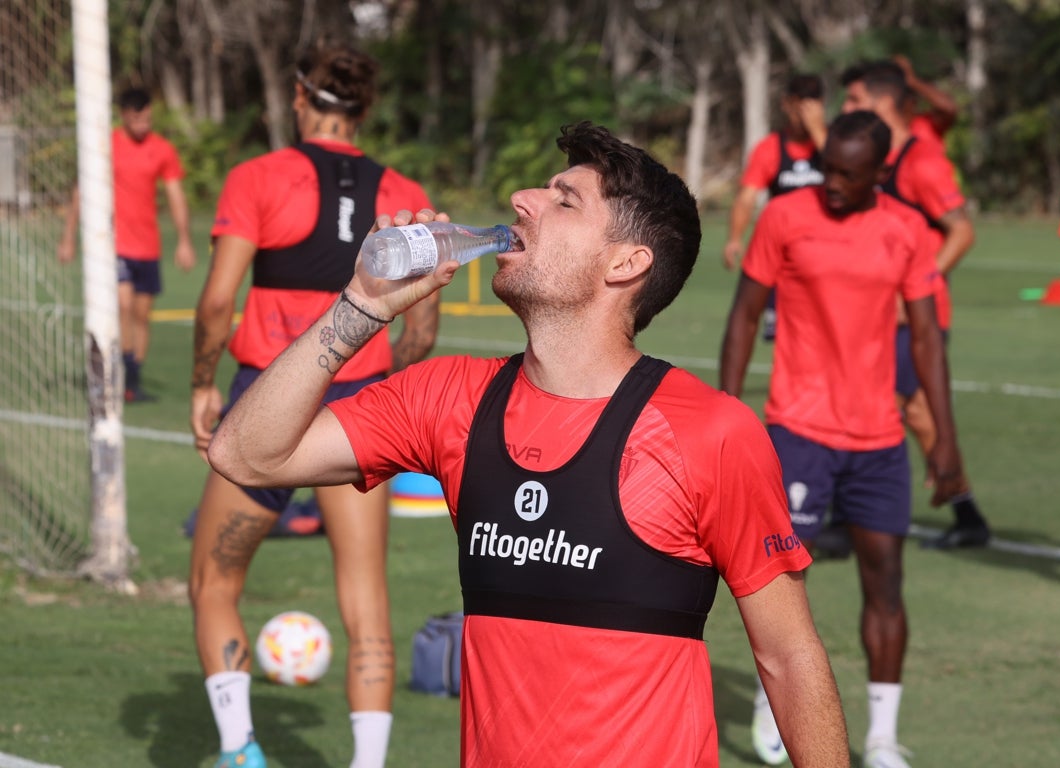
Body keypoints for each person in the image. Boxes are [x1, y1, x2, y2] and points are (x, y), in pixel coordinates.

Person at [206, 121, 851, 768]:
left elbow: (789, 657)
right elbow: (246, 455)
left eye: (564, 200)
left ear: (625, 263)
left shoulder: (710, 430)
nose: (522, 199)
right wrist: (361, 306)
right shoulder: (447, 397)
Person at [187, 40, 439, 768]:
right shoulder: (403, 192)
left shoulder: (259, 177)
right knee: (366, 598)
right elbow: (422, 330)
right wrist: (379, 379)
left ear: (299, 96)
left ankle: (240, 750)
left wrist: (203, 382)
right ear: (365, 109)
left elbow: (216, 303)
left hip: (266, 397)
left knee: (214, 580)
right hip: (359, 408)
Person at [721, 110, 966, 768]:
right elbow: (744, 314)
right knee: (781, 581)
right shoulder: (784, 217)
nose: (831, 183)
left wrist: (944, 440)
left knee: (885, 581)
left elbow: (927, 338)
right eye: (827, 168)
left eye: (847, 175)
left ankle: (882, 738)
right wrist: (728, 411)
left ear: (879, 173)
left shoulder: (906, 230)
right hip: (798, 430)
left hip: (879, 438)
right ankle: (773, 700)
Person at [834, 59, 991, 552]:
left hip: (914, 316)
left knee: (890, 406)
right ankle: (964, 511)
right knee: (914, 411)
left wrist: (915, 288)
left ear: (884, 104)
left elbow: (962, 231)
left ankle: (847, 515)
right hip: (877, 312)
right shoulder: (875, 159)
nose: (846, 108)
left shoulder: (922, 161)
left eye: (855, 99)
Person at [57, 86, 196, 402]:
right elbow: (81, 190)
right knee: (123, 305)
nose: (143, 125)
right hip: (115, 245)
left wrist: (184, 240)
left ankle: (133, 381)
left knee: (142, 316)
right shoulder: (106, 145)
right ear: (123, 116)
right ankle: (118, 374)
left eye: (147, 119)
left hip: (148, 247)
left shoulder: (162, 150)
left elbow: (175, 196)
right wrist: (68, 236)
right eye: (136, 120)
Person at [723, 73, 827, 341]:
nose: (803, 115)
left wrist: (818, 132)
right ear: (786, 104)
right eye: (799, 106)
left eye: (811, 106)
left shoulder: (835, 144)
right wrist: (734, 238)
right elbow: (747, 197)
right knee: (784, 335)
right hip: (785, 262)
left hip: (827, 256)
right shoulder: (770, 149)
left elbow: (846, 172)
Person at [891, 55, 958, 158]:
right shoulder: (881, 128)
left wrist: (912, 81)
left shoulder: (926, 125)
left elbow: (948, 108)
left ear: (912, 102)